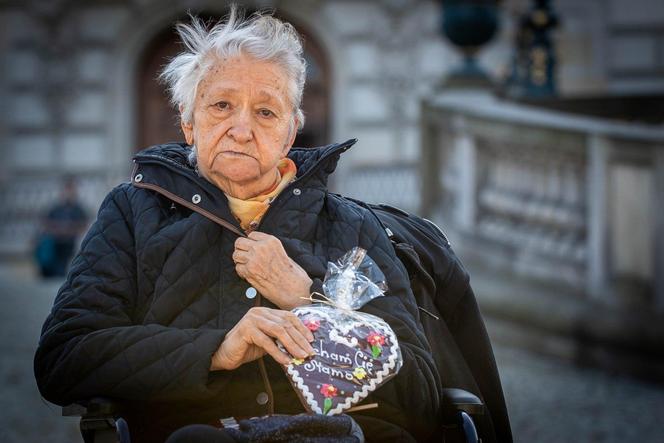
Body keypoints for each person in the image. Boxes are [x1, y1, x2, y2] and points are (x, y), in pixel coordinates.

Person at [34, 9, 440, 442]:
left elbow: (422, 391)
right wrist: (216, 351)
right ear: (189, 123)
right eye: (222, 105)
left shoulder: (351, 226)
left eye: (266, 112)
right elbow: (65, 357)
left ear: (289, 133)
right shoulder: (135, 212)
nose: (242, 129)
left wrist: (309, 300)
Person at [34, 177, 88, 278]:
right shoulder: (56, 208)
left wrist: (69, 230)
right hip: (55, 244)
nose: (69, 192)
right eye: (67, 189)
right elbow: (46, 223)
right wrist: (58, 229)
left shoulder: (79, 209)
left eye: (71, 189)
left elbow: (83, 226)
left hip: (70, 244)